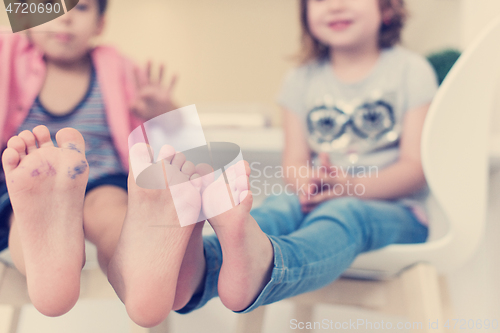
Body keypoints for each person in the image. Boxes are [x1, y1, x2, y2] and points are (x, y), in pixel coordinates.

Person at [170, 0, 438, 316]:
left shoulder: (411, 70)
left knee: (345, 210)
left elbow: (415, 169)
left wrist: (347, 186)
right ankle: (198, 265)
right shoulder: (300, 80)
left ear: (387, 8)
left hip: (398, 211)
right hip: (321, 197)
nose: (335, 6)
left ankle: (269, 265)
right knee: (280, 206)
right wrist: (310, 183)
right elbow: (294, 165)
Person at [0, 0, 195, 326]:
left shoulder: (121, 69)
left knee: (111, 214)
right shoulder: (8, 56)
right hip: (32, 181)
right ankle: (49, 263)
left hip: (103, 176)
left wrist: (162, 111)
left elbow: (182, 138)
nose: (64, 20)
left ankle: (139, 276)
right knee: (24, 218)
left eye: (81, 8)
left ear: (100, 24)